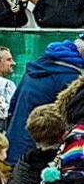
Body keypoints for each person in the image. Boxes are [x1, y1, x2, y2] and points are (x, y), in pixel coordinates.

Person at [6, 33, 84, 167]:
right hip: (45, 155)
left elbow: (13, 105)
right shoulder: (71, 78)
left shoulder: (37, 66)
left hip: (15, 146)